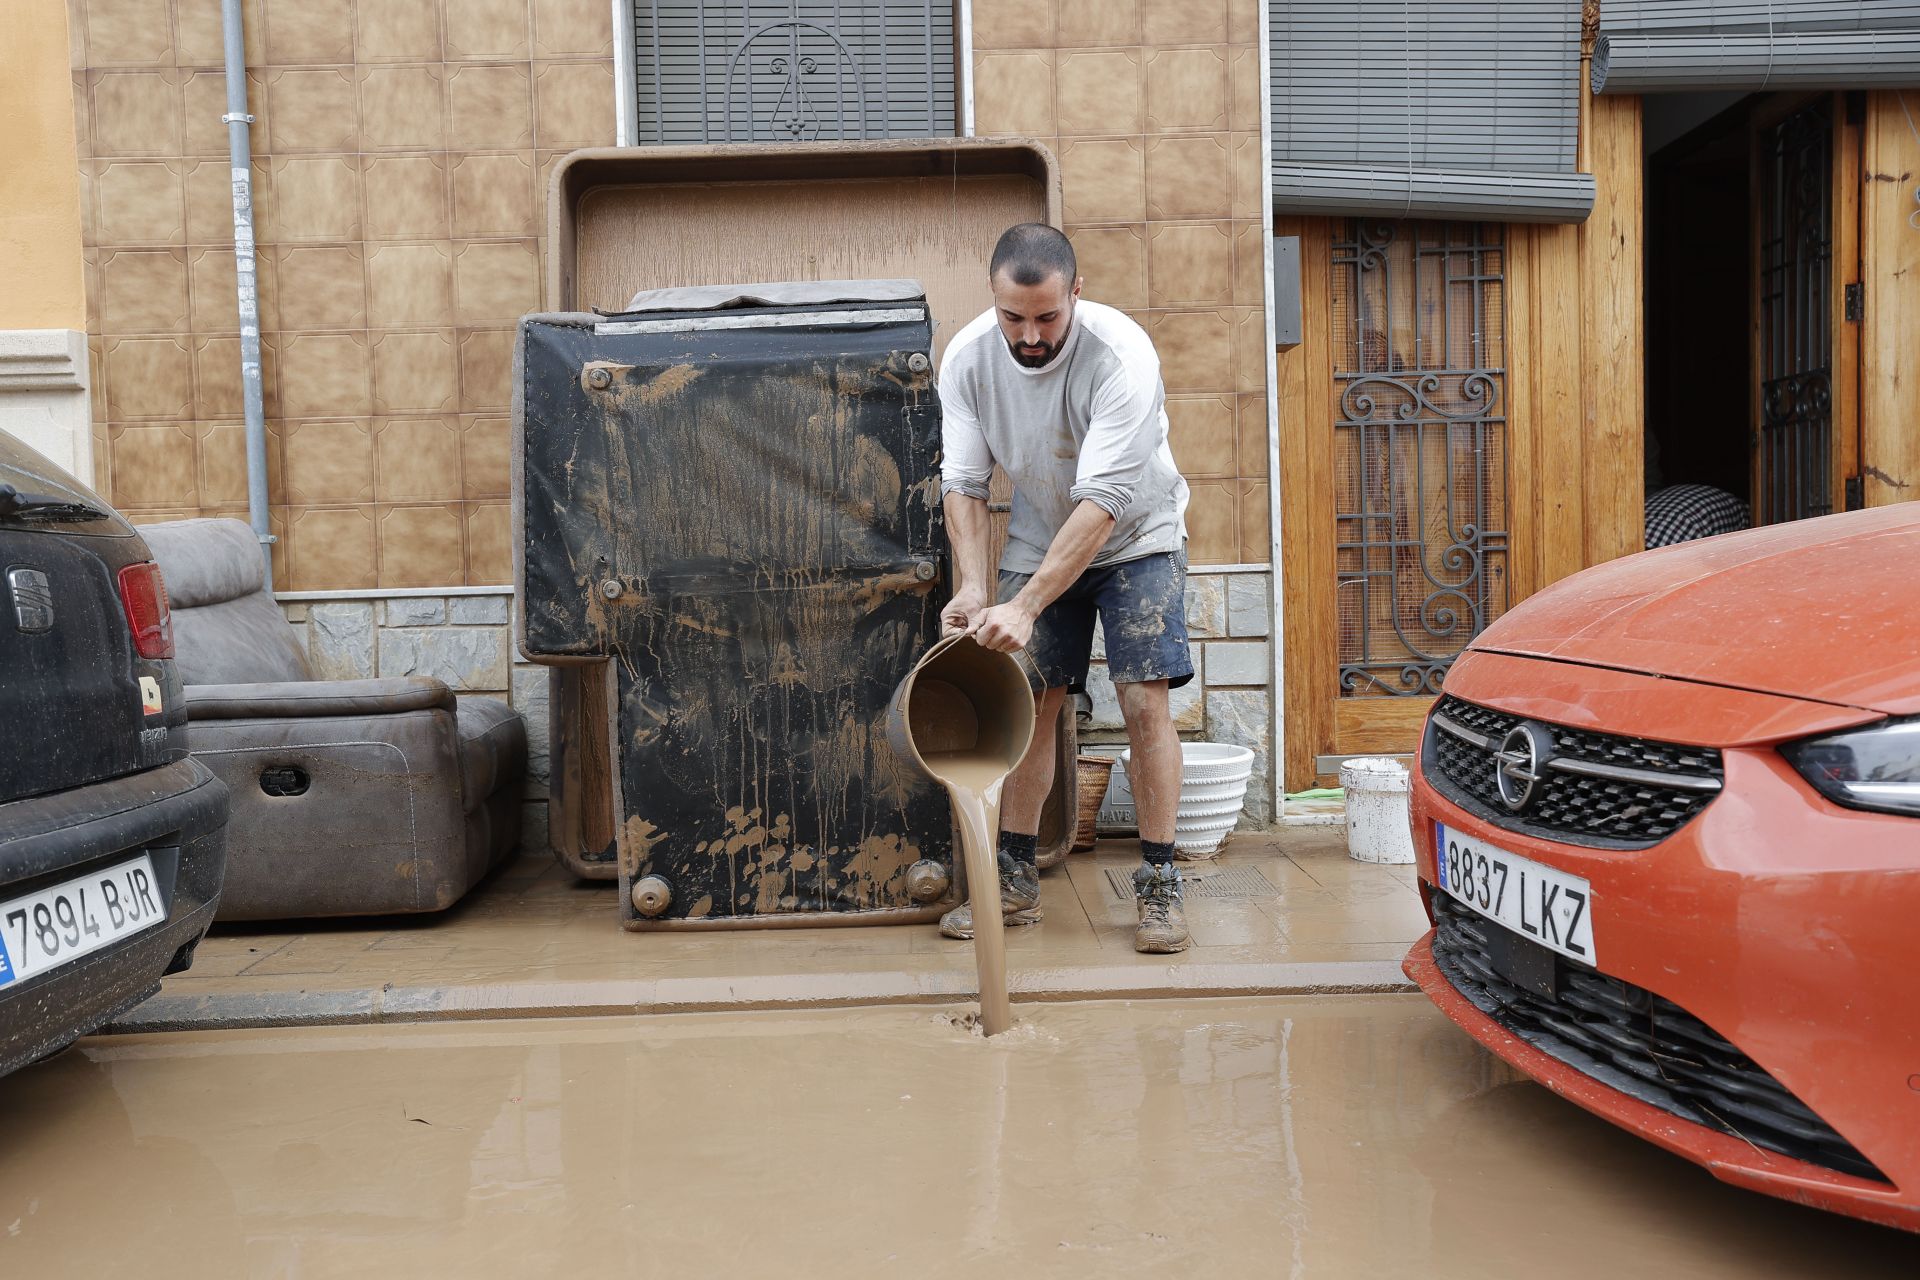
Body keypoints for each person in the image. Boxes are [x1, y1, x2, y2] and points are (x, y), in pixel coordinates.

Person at [936, 223, 1194, 954]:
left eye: (1047, 317)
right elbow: (963, 482)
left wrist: (1023, 605)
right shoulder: (968, 359)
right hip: (1037, 537)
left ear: (1075, 293)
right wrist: (975, 586)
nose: (1030, 335)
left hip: (1137, 537)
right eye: (1013, 317)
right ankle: (1014, 881)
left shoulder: (1121, 356)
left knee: (1145, 701)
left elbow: (1105, 501)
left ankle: (1159, 886)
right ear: (994, 299)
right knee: (1031, 703)